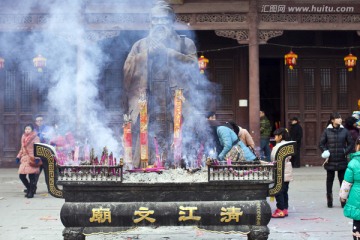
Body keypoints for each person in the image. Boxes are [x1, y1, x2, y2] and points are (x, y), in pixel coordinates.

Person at [123, 0, 199, 167]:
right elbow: (128, 70)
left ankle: (178, 166)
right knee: (146, 136)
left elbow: (194, 66)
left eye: (163, 19)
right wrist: (147, 54)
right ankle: (145, 165)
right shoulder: (140, 45)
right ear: (150, 22)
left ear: (171, 21)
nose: (159, 23)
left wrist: (169, 53)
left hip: (175, 101)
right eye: (155, 19)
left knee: (179, 135)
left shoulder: (185, 43)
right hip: (149, 101)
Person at [319, 112, 354, 208]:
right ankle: (329, 200)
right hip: (330, 160)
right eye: (338, 118)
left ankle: (343, 200)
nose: (340, 119)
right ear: (332, 120)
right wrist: (326, 152)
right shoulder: (327, 131)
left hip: (342, 160)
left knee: (342, 181)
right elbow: (321, 144)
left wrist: (344, 151)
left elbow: (351, 144)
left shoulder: (345, 131)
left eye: (340, 118)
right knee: (329, 181)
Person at [339, 136, 360, 240]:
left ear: (358, 146)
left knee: (357, 219)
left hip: (357, 196)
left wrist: (343, 196)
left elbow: (347, 183)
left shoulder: (353, 163)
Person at [271, 128, 293, 218]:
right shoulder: (286, 145)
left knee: (279, 191)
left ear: (280, 136)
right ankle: (285, 209)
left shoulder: (281, 146)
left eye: (275, 136)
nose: (274, 137)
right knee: (284, 192)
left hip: (281, 172)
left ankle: (280, 209)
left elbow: (277, 159)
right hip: (286, 172)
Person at [16, 124, 41, 198]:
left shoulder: (36, 138)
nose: (27, 130)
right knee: (21, 176)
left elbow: (38, 149)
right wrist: (18, 156)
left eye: (29, 129)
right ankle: (30, 188)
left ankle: (31, 193)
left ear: (32, 130)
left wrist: (37, 158)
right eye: (26, 129)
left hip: (32, 159)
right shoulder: (23, 136)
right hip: (24, 159)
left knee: (32, 176)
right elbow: (22, 148)